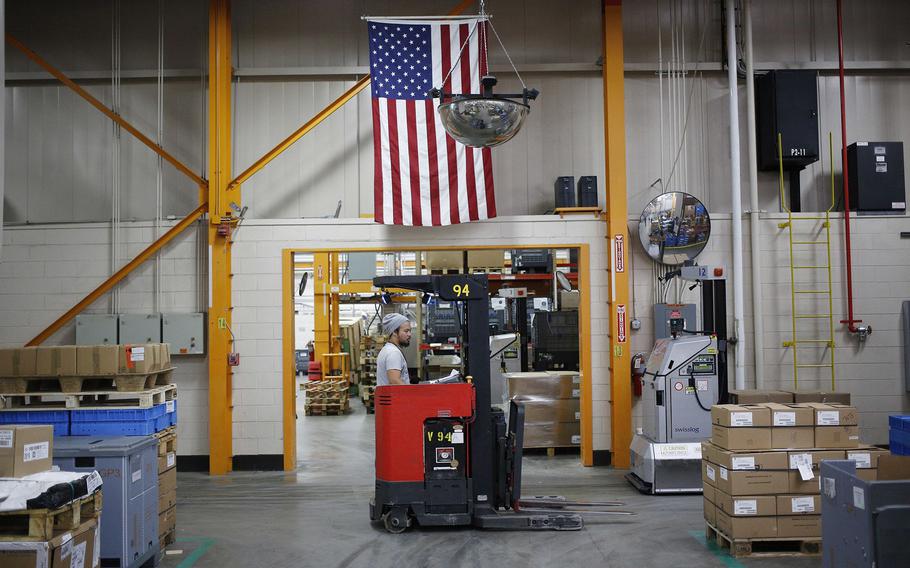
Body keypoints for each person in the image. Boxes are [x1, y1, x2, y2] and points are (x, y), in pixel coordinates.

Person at [376, 313, 412, 386]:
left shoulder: (388, 349)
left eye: (410, 331)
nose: (409, 334)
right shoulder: (393, 353)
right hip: (395, 397)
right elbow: (394, 381)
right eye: (406, 331)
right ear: (395, 332)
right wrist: (411, 394)